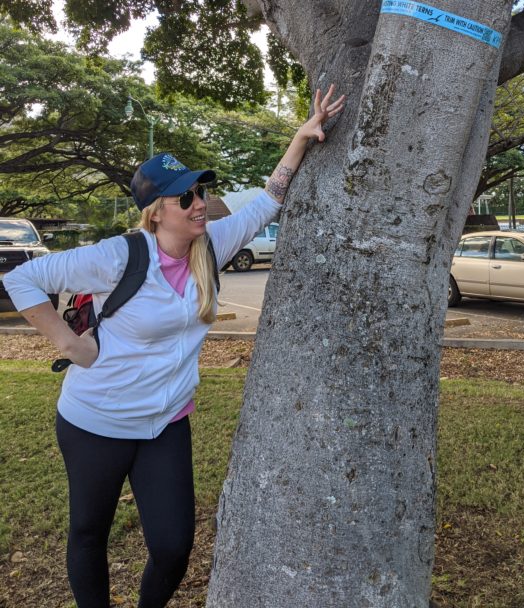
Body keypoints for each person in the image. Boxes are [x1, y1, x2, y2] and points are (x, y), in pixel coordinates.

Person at [5, 85, 345, 608]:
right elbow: (24, 278)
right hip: (97, 419)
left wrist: (300, 138)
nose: (199, 204)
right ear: (156, 212)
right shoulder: (117, 256)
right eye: (184, 197)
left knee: (172, 547)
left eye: (201, 193)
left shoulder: (211, 248)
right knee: (89, 533)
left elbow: (268, 200)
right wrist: (71, 345)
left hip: (165, 423)